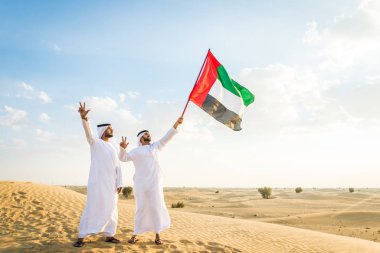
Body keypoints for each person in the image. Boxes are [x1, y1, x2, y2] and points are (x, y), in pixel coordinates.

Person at [119, 117, 183, 245]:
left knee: (156, 207)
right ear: (141, 138)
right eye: (146, 134)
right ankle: (135, 234)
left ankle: (157, 236)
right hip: (141, 184)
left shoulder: (156, 147)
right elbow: (123, 158)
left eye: (149, 133)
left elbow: (168, 136)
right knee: (141, 208)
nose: (149, 135)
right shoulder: (136, 151)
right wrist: (122, 148)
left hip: (155, 184)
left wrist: (177, 124)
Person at [73, 102, 123, 247]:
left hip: (112, 185)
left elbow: (118, 167)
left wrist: (119, 182)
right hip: (97, 183)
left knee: (112, 209)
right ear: (103, 131)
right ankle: (81, 237)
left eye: (112, 128)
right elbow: (88, 134)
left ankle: (109, 235)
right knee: (92, 207)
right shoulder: (95, 143)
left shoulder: (113, 147)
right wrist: (84, 119)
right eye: (109, 128)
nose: (112, 130)